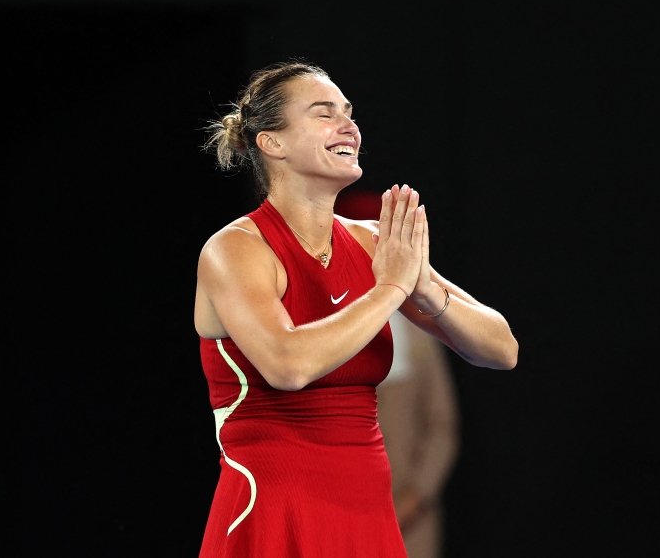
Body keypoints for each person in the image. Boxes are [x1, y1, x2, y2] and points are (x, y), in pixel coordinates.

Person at [194, 62, 517, 557]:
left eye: (349, 113)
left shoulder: (371, 243)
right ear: (272, 143)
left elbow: (502, 349)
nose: (349, 125)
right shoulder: (235, 248)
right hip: (275, 507)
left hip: (367, 509)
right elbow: (288, 365)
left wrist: (427, 293)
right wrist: (391, 287)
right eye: (325, 113)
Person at [337, 190, 461, 558]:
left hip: (409, 521)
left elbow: (441, 423)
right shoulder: (322, 323)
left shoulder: (420, 328)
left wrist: (415, 496)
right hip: (339, 516)